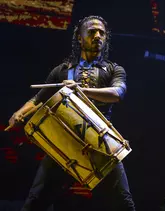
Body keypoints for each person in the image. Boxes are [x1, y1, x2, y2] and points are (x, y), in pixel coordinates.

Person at [8, 15, 136, 211]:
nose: (98, 36)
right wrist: (19, 113)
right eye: (92, 31)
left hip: (100, 142)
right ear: (79, 37)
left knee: (123, 203)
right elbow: (38, 99)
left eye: (102, 32)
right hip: (64, 140)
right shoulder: (62, 70)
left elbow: (117, 93)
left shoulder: (114, 70)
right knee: (35, 201)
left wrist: (80, 90)